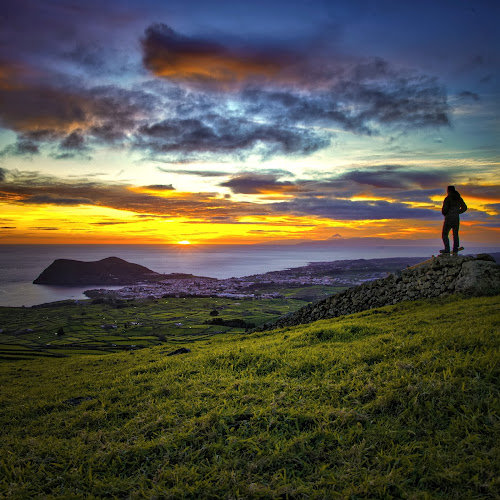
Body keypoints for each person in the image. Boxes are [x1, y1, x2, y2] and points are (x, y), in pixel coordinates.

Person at [440, 185, 467, 254]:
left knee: (445, 234)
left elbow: (444, 210)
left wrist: (446, 213)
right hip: (456, 218)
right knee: (455, 234)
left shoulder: (448, 198)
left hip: (449, 218)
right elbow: (464, 207)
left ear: (448, 190)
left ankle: (447, 249)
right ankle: (455, 249)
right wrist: (457, 212)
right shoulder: (459, 198)